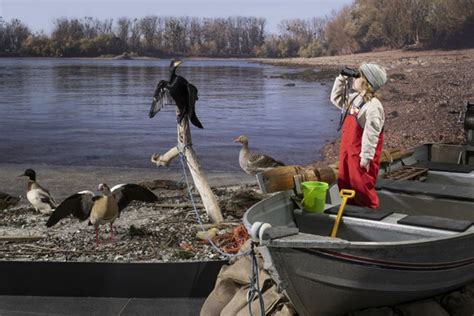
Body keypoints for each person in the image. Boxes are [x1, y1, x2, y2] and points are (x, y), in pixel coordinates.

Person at [330, 63, 387, 209]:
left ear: (366, 82)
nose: (355, 78)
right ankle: (350, 210)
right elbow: (336, 99)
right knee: (345, 183)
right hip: (348, 152)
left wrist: (366, 157)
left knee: (362, 186)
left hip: (361, 155)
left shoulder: (373, 106)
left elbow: (372, 133)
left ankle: (371, 213)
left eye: (359, 76)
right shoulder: (355, 98)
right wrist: (341, 79)